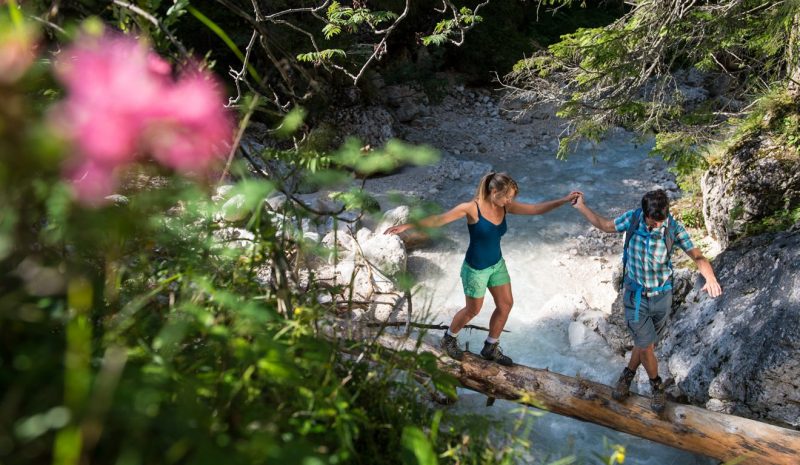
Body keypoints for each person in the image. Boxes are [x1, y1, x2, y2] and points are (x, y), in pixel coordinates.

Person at [385, 171, 580, 366]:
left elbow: (536, 209)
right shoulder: (471, 208)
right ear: (494, 191)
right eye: (507, 196)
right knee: (472, 310)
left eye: (512, 197)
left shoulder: (505, 207)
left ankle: (490, 347)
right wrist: (407, 226)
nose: (509, 200)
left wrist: (564, 200)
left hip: (497, 265)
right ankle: (449, 339)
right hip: (475, 269)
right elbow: (439, 220)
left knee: (506, 304)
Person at [571, 189, 722, 412]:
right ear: (645, 213)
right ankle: (656, 386)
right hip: (635, 295)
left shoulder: (673, 228)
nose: (658, 226)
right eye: (654, 222)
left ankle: (627, 375)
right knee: (645, 344)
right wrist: (581, 207)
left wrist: (709, 277)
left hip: (662, 296)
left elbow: (697, 256)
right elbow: (604, 225)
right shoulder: (632, 219)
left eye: (661, 221)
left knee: (646, 344)